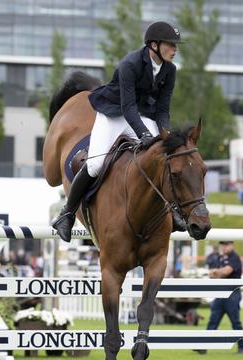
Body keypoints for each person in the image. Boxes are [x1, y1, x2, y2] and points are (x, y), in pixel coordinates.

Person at [51, 21, 183, 242]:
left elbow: (162, 109)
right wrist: (144, 134)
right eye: (171, 44)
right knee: (94, 164)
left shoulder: (170, 70)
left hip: (142, 115)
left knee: (163, 157)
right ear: (153, 45)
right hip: (113, 113)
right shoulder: (129, 64)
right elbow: (127, 107)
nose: (175, 49)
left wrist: (164, 136)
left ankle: (174, 212)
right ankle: (67, 214)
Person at [196, 241, 243, 355]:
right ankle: (203, 347)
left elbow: (225, 272)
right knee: (212, 321)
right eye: (222, 245)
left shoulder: (235, 257)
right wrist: (217, 273)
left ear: (232, 245)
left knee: (235, 322)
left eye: (226, 245)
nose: (224, 247)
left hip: (232, 294)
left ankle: (242, 348)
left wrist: (217, 272)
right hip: (220, 294)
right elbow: (211, 274)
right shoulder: (219, 257)